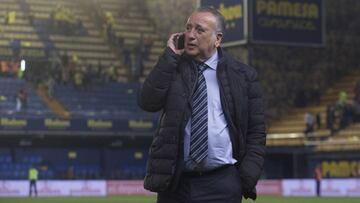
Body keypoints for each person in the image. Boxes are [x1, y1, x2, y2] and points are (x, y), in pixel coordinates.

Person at [138, 7, 266, 203]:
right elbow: (147, 102)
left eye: (200, 30)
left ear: (218, 39)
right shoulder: (172, 67)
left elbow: (256, 132)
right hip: (176, 184)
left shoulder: (244, 76)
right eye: (188, 28)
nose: (190, 35)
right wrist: (170, 56)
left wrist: (245, 178)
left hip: (223, 183)